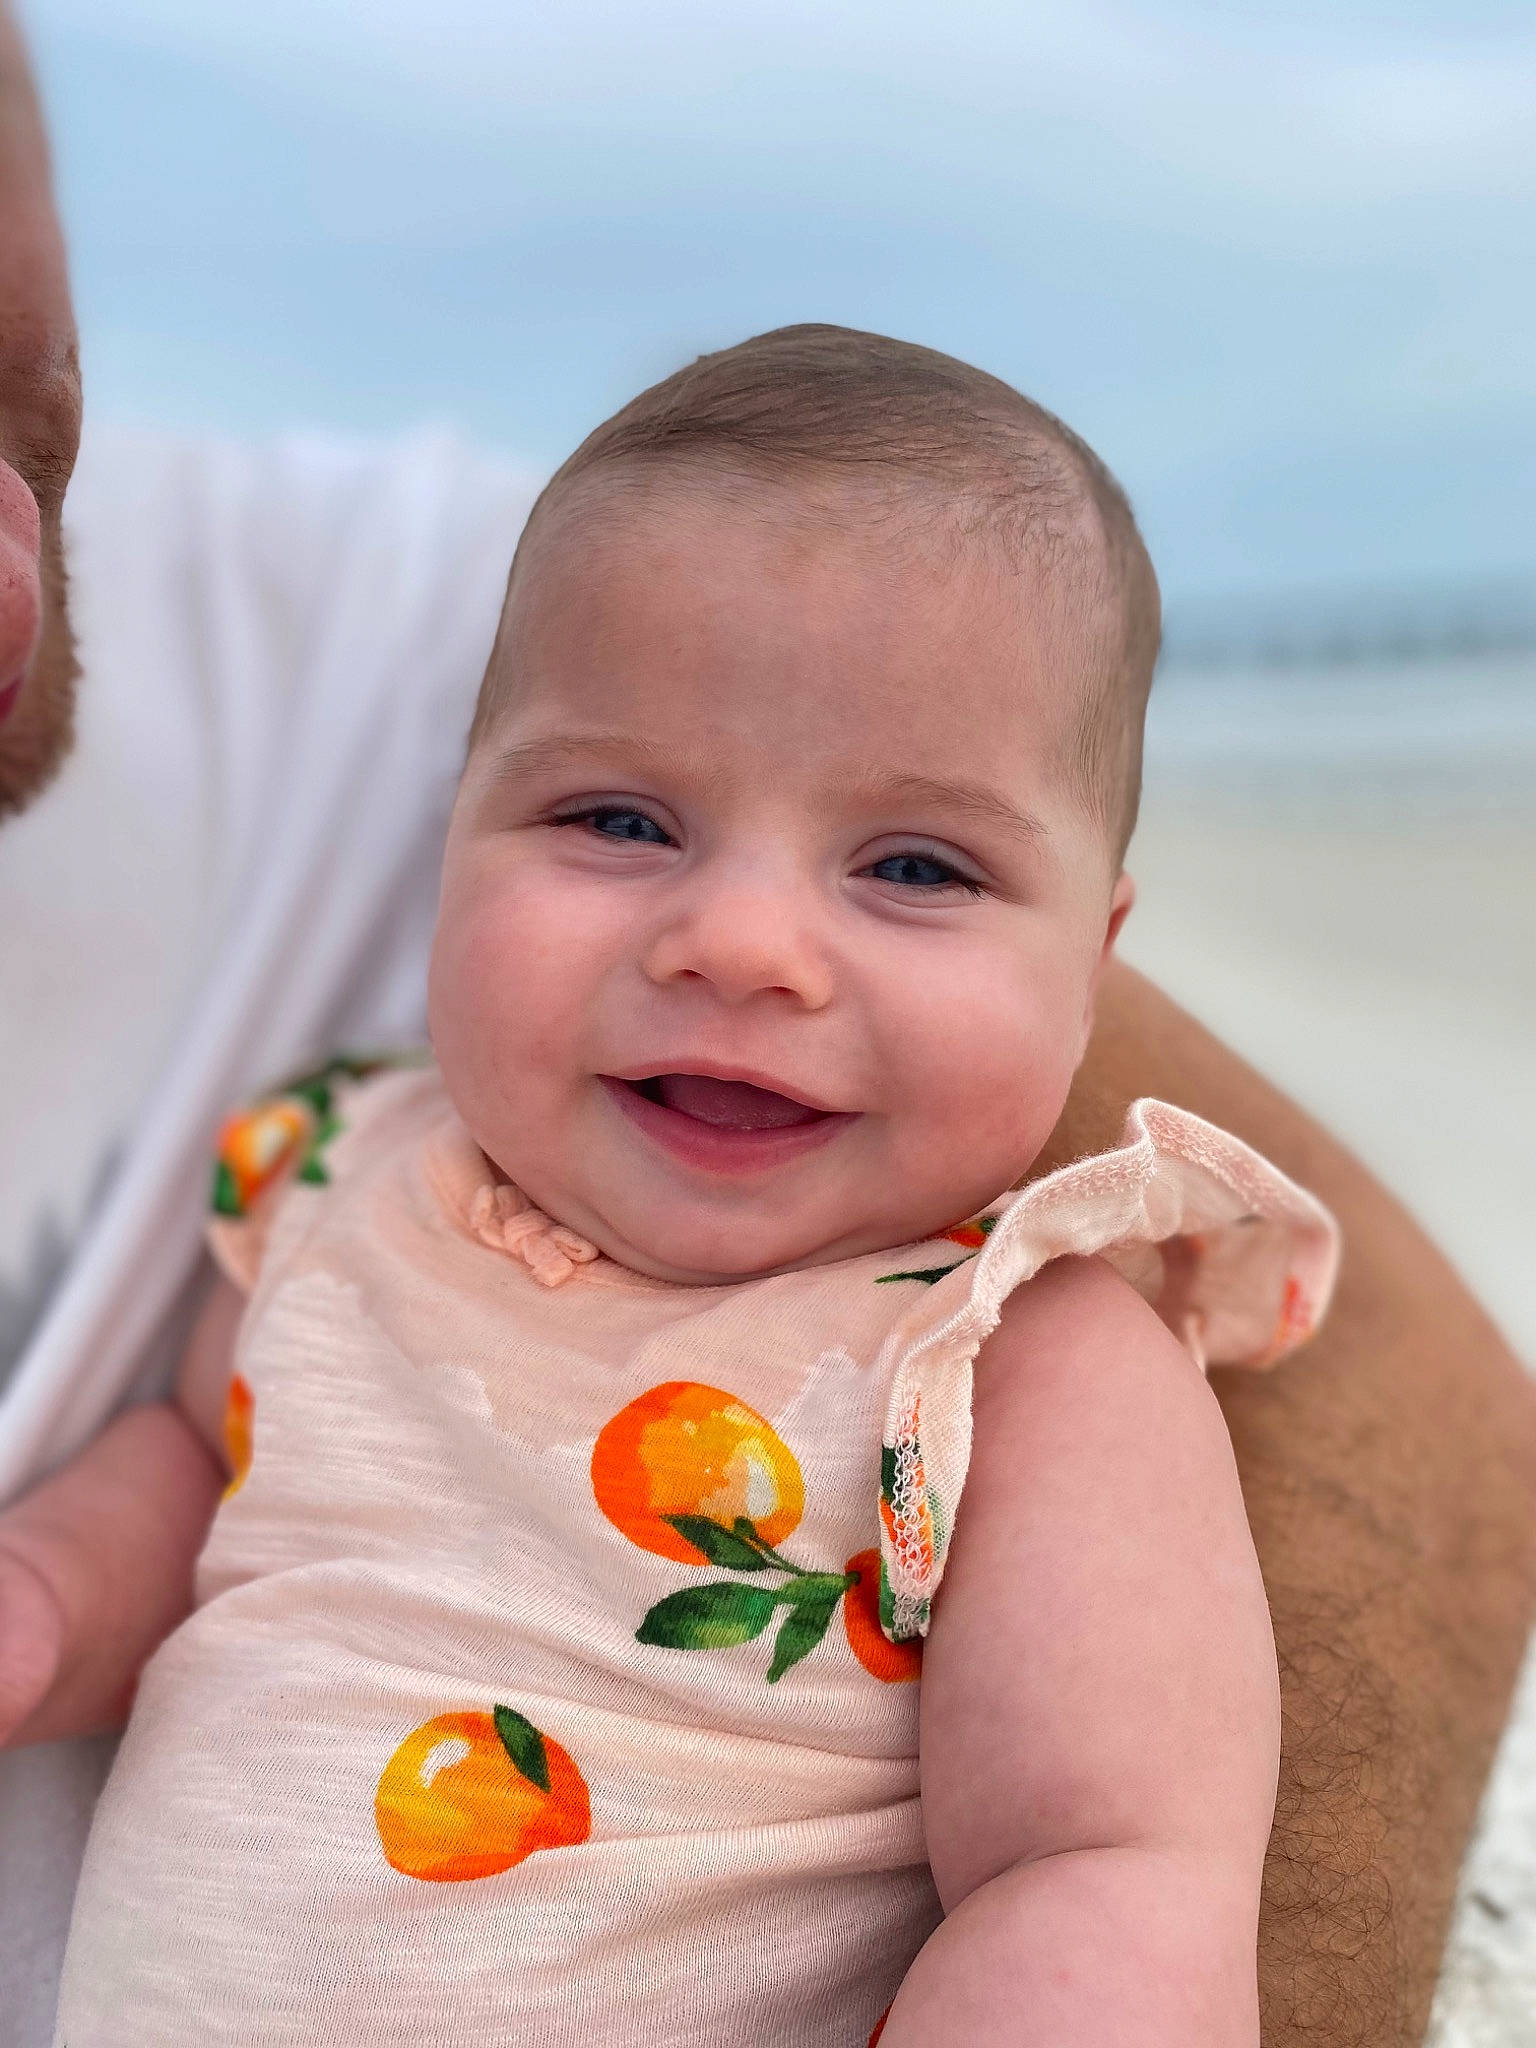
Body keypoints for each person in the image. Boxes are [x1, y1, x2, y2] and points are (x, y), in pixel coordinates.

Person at [0, 18, 1530, 2048]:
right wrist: (45, 1600)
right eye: (616, 822)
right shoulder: (335, 1176)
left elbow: (1107, 1868)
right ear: (444, 833)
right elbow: (194, 1465)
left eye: (914, 870)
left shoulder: (1013, 1354)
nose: (740, 944)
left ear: (1099, 965)